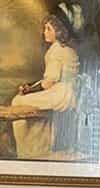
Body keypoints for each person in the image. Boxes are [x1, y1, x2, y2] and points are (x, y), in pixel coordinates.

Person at [10, 13, 79, 159]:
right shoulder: (66, 49)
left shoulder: (55, 51)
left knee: (18, 101)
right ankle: (39, 146)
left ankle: (27, 150)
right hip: (68, 93)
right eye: (44, 29)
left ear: (58, 31)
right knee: (28, 101)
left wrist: (29, 90)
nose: (44, 32)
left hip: (60, 94)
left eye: (48, 29)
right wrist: (32, 87)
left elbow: (49, 82)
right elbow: (50, 79)